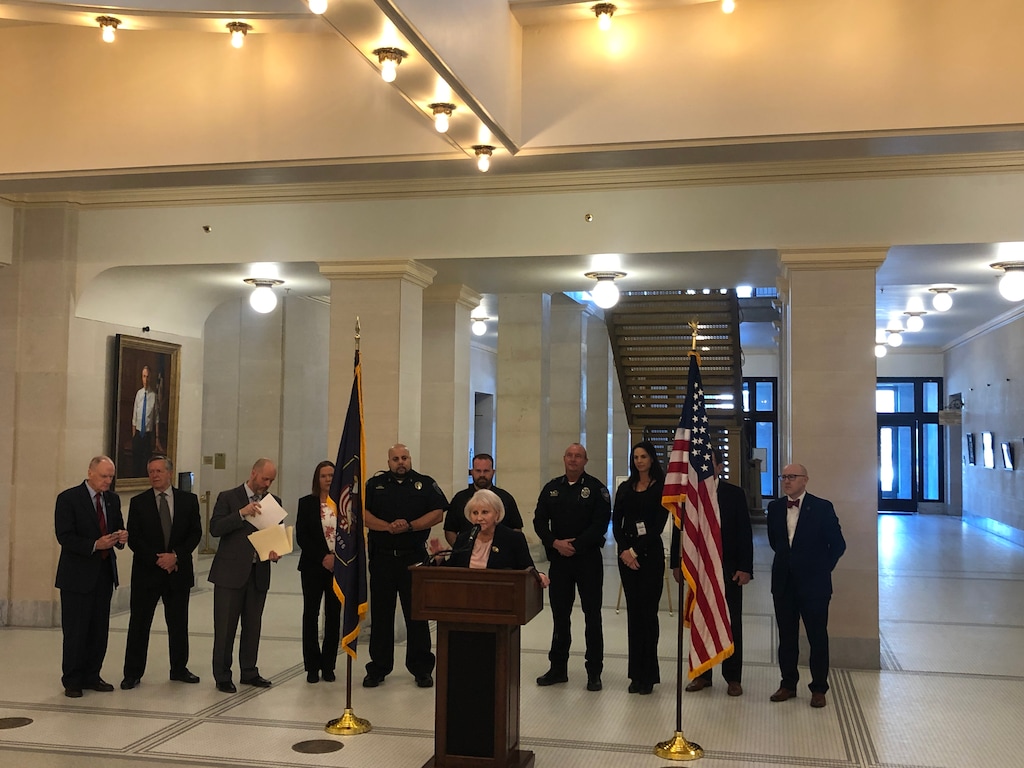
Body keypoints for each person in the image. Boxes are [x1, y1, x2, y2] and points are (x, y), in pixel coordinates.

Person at [362, 443, 447, 689]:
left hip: (414, 559)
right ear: (388, 462)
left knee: (417, 615)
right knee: (381, 616)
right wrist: (388, 527)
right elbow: (362, 513)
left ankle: (422, 669)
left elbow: (438, 513)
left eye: (404, 458)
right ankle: (378, 668)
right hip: (383, 559)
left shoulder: (425, 483)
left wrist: (409, 526)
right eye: (396, 458)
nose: (401, 462)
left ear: (410, 459)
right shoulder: (374, 485)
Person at [767, 463, 846, 708]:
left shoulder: (822, 507)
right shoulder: (775, 507)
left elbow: (838, 545)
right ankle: (788, 684)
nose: (786, 481)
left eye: (792, 476)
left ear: (805, 480)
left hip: (814, 585)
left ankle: (819, 688)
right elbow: (775, 543)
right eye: (783, 477)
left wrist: (822, 568)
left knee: (817, 637)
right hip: (784, 583)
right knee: (786, 637)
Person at [533, 443, 611, 691]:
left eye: (578, 456)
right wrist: (555, 543)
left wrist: (575, 546)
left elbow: (600, 524)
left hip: (588, 560)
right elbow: (539, 521)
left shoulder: (597, 489)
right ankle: (558, 668)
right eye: (570, 455)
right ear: (564, 458)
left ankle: (594, 672)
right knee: (560, 616)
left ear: (585, 460)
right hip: (560, 561)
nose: (574, 459)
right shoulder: (552, 488)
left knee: (592, 616)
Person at [121, 455, 203, 689]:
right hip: (147, 573)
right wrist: (159, 560)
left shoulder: (188, 500)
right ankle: (132, 673)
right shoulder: (139, 502)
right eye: (151, 472)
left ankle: (179, 668)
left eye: (159, 471)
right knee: (139, 624)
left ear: (169, 473)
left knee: (178, 623)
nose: (154, 475)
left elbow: (195, 533)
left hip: (178, 571)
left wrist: (176, 556)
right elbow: (135, 538)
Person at [679, 448, 754, 697]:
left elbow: (744, 533)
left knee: (731, 622)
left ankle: (733, 677)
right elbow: (681, 529)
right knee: (701, 619)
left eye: (709, 462)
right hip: (699, 570)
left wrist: (745, 567)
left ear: (719, 467)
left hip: (728, 569)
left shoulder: (734, 494)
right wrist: (677, 564)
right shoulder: (690, 493)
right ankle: (702, 674)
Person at [54, 455, 128, 698]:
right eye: (104, 476)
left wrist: (121, 538)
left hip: (104, 575)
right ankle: (73, 679)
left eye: (111, 477)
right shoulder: (68, 499)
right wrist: (95, 545)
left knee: (98, 630)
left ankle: (92, 675)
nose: (108, 481)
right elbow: (64, 536)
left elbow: (116, 528)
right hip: (77, 577)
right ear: (90, 473)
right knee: (76, 630)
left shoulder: (112, 499)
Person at [208, 458, 282, 693]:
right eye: (265, 478)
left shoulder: (273, 502)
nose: (267, 484)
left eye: (271, 480)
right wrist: (241, 513)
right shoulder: (228, 497)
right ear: (253, 473)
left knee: (252, 626)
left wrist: (276, 551)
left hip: (258, 573)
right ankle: (222, 675)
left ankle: (249, 671)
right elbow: (215, 528)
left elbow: (276, 535)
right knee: (225, 628)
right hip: (229, 574)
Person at [612, 441, 668, 695]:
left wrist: (636, 551)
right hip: (627, 559)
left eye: (643, 456)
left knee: (648, 616)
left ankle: (649, 675)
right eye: (635, 457)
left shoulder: (661, 488)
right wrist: (625, 551)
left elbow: (657, 526)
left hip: (650, 557)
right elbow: (616, 522)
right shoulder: (625, 488)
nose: (639, 461)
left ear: (652, 459)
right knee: (634, 616)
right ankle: (635, 675)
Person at [430, 489, 548, 586]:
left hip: (501, 599)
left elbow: (528, 569)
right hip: (466, 598)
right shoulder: (464, 539)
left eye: (485, 512)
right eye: (475, 513)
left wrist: (540, 576)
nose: (479, 518)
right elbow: (452, 572)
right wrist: (440, 559)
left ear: (497, 514)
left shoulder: (513, 539)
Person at [295, 460, 342, 684]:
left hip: (338, 567)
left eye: (331, 475)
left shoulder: (343, 504)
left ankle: (329, 665)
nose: (328, 479)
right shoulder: (306, 503)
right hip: (313, 566)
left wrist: (335, 558)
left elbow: (349, 535)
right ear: (317, 479)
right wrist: (323, 557)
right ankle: (312, 666)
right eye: (324, 476)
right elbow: (302, 536)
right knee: (311, 615)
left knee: (333, 616)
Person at [443, 453, 524, 546]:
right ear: (472, 472)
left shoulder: (505, 498)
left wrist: (508, 549)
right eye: (478, 471)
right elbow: (450, 530)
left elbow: (516, 528)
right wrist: (460, 549)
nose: (482, 475)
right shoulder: (460, 499)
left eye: (486, 471)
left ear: (493, 472)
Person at [131, 365, 160, 476]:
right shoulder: (139, 394)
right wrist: (134, 435)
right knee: (136, 463)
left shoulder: (154, 396)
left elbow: (156, 418)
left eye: (147, 376)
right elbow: (134, 416)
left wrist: (156, 438)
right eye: (144, 376)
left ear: (150, 377)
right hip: (138, 434)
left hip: (148, 435)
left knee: (146, 463)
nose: (145, 379)